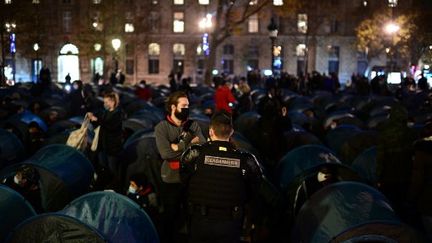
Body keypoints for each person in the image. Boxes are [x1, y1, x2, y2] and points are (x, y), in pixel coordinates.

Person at [180, 110, 265, 243]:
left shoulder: (194, 154)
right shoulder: (246, 159)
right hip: (231, 224)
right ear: (231, 132)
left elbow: (183, 182)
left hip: (200, 221)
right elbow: (256, 189)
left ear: (211, 131)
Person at [154, 91, 205, 243]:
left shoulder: (193, 124)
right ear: (173, 107)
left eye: (188, 106)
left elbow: (201, 147)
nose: (187, 109)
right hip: (170, 178)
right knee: (170, 214)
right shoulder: (161, 127)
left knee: (191, 214)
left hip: (191, 177)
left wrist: (178, 147)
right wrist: (188, 143)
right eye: (183, 106)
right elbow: (166, 154)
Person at [87, 91, 123, 190]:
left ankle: (116, 187)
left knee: (112, 169)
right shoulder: (105, 112)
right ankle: (105, 185)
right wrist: (92, 119)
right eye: (104, 102)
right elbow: (100, 125)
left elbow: (110, 126)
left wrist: (97, 120)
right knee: (103, 167)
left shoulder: (118, 113)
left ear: (113, 102)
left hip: (112, 147)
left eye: (107, 102)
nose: (105, 104)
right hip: (102, 145)